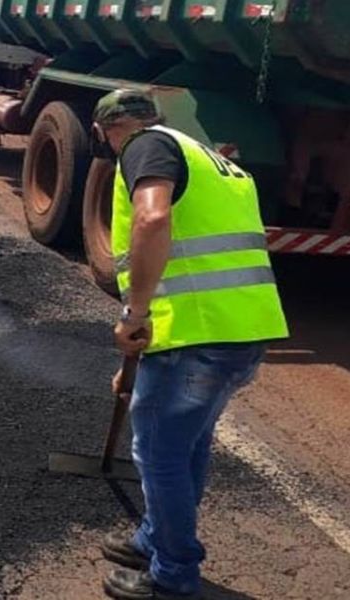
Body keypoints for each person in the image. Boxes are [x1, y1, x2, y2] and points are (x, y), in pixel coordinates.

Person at [91, 89, 289, 599]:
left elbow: (153, 219)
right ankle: (154, 539)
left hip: (195, 335)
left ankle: (173, 575)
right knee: (188, 446)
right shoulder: (213, 160)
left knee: (159, 454)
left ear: (108, 130)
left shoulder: (143, 146)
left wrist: (134, 314)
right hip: (239, 331)